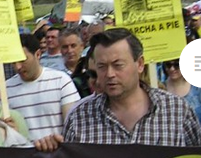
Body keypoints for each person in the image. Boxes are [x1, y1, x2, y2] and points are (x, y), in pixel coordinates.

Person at [63, 28, 201, 146]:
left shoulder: (177, 111)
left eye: (118, 65)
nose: (110, 74)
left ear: (140, 64)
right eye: (102, 67)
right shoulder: (79, 118)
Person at [6, 34, 80, 140]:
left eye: (23, 60)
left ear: (38, 54)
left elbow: (73, 125)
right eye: (13, 62)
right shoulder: (6, 89)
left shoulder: (61, 81)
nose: (18, 67)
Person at [59, 28, 90, 98]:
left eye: (73, 46)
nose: (69, 50)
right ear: (60, 49)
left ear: (82, 47)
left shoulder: (90, 69)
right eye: (65, 47)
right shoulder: (55, 73)